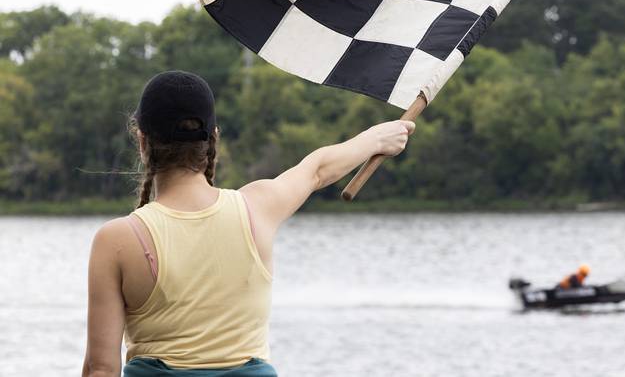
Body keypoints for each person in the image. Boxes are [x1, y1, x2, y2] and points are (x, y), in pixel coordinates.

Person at [82, 70, 415, 377]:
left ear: (142, 142)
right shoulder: (257, 208)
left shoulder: (117, 240)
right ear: (213, 139)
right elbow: (317, 169)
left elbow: (101, 369)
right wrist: (378, 138)